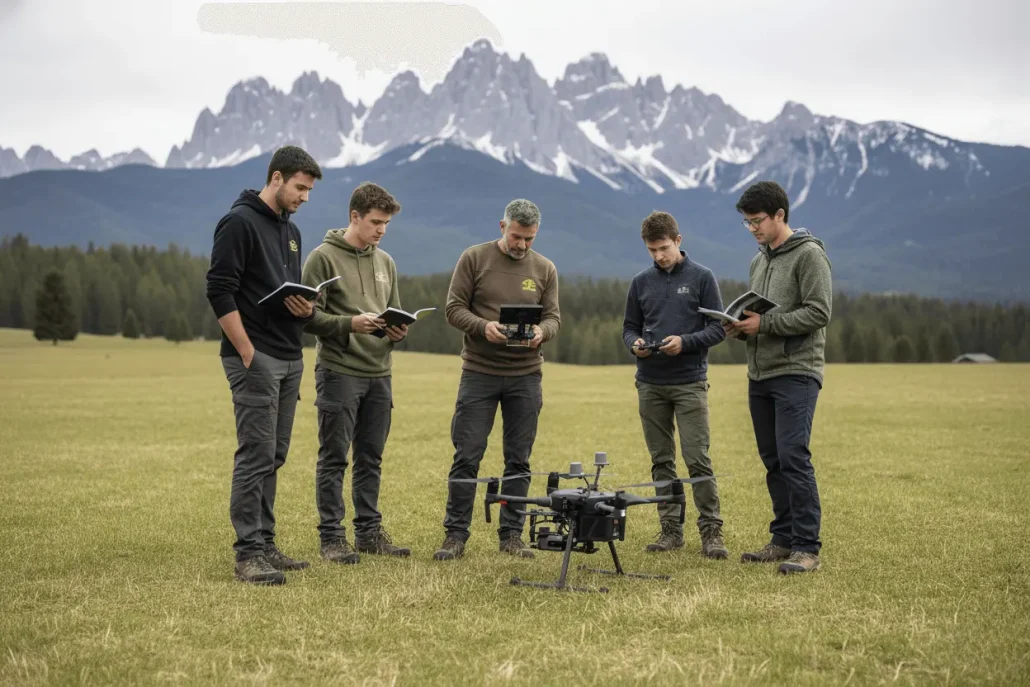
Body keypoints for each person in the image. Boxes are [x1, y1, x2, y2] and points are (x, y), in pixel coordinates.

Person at [205, 145, 323, 585]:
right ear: (276, 178)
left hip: (289, 356)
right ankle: (248, 554)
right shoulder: (238, 223)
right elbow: (219, 290)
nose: (304, 197)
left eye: (309, 190)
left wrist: (303, 308)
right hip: (255, 357)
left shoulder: (290, 231)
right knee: (254, 454)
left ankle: (267, 543)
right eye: (299, 188)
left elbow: (280, 291)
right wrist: (246, 351)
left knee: (274, 455)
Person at [433, 199, 561, 561]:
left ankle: (511, 535)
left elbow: (554, 318)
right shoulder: (474, 258)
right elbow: (453, 308)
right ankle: (455, 535)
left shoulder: (545, 268)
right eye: (517, 237)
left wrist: (541, 332)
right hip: (479, 372)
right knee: (467, 455)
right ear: (502, 227)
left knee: (519, 459)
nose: (522, 246)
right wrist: (482, 327)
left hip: (525, 376)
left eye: (530, 239)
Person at [300, 182, 411, 564]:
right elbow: (306, 317)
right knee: (334, 458)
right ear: (354, 217)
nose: (381, 230)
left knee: (371, 457)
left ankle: (368, 534)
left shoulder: (386, 262)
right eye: (376, 222)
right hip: (339, 372)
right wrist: (350, 324)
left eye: (386, 224)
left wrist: (397, 331)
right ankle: (332, 538)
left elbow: (392, 310)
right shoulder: (322, 258)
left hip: (380, 373)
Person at [727, 180, 832, 575]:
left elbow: (819, 313)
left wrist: (765, 324)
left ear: (780, 216)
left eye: (757, 221)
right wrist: (740, 327)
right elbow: (761, 316)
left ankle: (807, 548)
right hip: (760, 373)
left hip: (797, 372)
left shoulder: (809, 256)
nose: (752, 228)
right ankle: (783, 539)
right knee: (773, 460)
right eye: (747, 223)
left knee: (793, 456)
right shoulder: (759, 261)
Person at [622, 211, 729, 559]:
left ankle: (711, 532)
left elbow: (719, 329)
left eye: (664, 248)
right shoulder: (640, 282)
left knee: (697, 458)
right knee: (661, 460)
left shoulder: (702, 277)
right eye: (652, 250)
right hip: (650, 383)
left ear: (678, 241)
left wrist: (685, 342)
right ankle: (670, 530)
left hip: (689, 383)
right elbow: (628, 328)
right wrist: (635, 344)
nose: (659, 256)